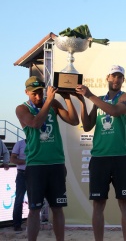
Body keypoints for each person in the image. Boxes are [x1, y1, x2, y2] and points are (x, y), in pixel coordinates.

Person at [15, 76, 80, 241]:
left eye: (40, 93)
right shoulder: (22, 109)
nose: (38, 97)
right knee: (34, 209)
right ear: (27, 92)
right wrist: (49, 100)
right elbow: (36, 123)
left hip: (56, 163)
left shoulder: (52, 103)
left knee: (57, 208)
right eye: (34, 94)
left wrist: (67, 98)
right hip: (36, 164)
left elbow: (73, 120)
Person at [76, 65, 126, 241]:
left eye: (120, 77)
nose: (116, 80)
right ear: (107, 78)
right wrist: (82, 101)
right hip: (99, 158)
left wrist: (89, 95)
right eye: (113, 76)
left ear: (123, 80)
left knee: (125, 203)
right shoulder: (99, 99)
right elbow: (87, 126)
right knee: (98, 204)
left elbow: (115, 111)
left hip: (121, 157)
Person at [10, 139, 26, 232]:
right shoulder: (19, 144)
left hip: (35, 174)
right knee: (19, 200)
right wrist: (27, 161)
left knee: (35, 200)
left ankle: (34, 223)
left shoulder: (38, 143)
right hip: (22, 174)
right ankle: (17, 225)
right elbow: (12, 159)